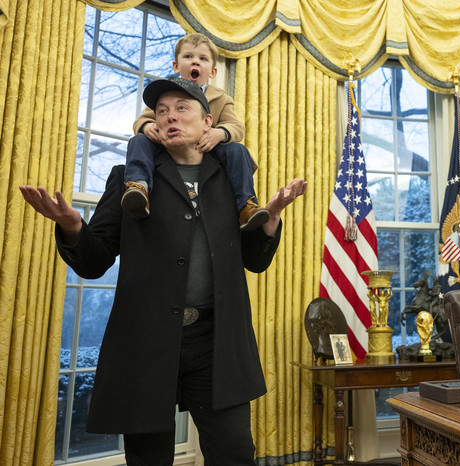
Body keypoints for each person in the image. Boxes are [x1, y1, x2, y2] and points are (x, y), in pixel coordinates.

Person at [19, 77, 307, 465]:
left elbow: (255, 261)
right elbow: (94, 259)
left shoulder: (231, 179)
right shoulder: (129, 178)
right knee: (149, 458)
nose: (170, 117)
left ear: (208, 123)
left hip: (216, 343)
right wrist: (73, 226)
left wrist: (270, 218)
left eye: (181, 109)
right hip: (146, 343)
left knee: (235, 453)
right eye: (162, 111)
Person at [123, 33, 268, 231]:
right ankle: (138, 187)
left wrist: (220, 133)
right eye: (188, 57)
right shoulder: (166, 95)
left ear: (213, 71)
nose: (195, 62)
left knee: (237, 150)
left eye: (203, 59)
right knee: (138, 141)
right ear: (176, 66)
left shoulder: (221, 98)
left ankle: (246, 205)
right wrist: (148, 127)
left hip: (209, 149)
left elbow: (237, 127)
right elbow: (142, 120)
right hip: (171, 147)